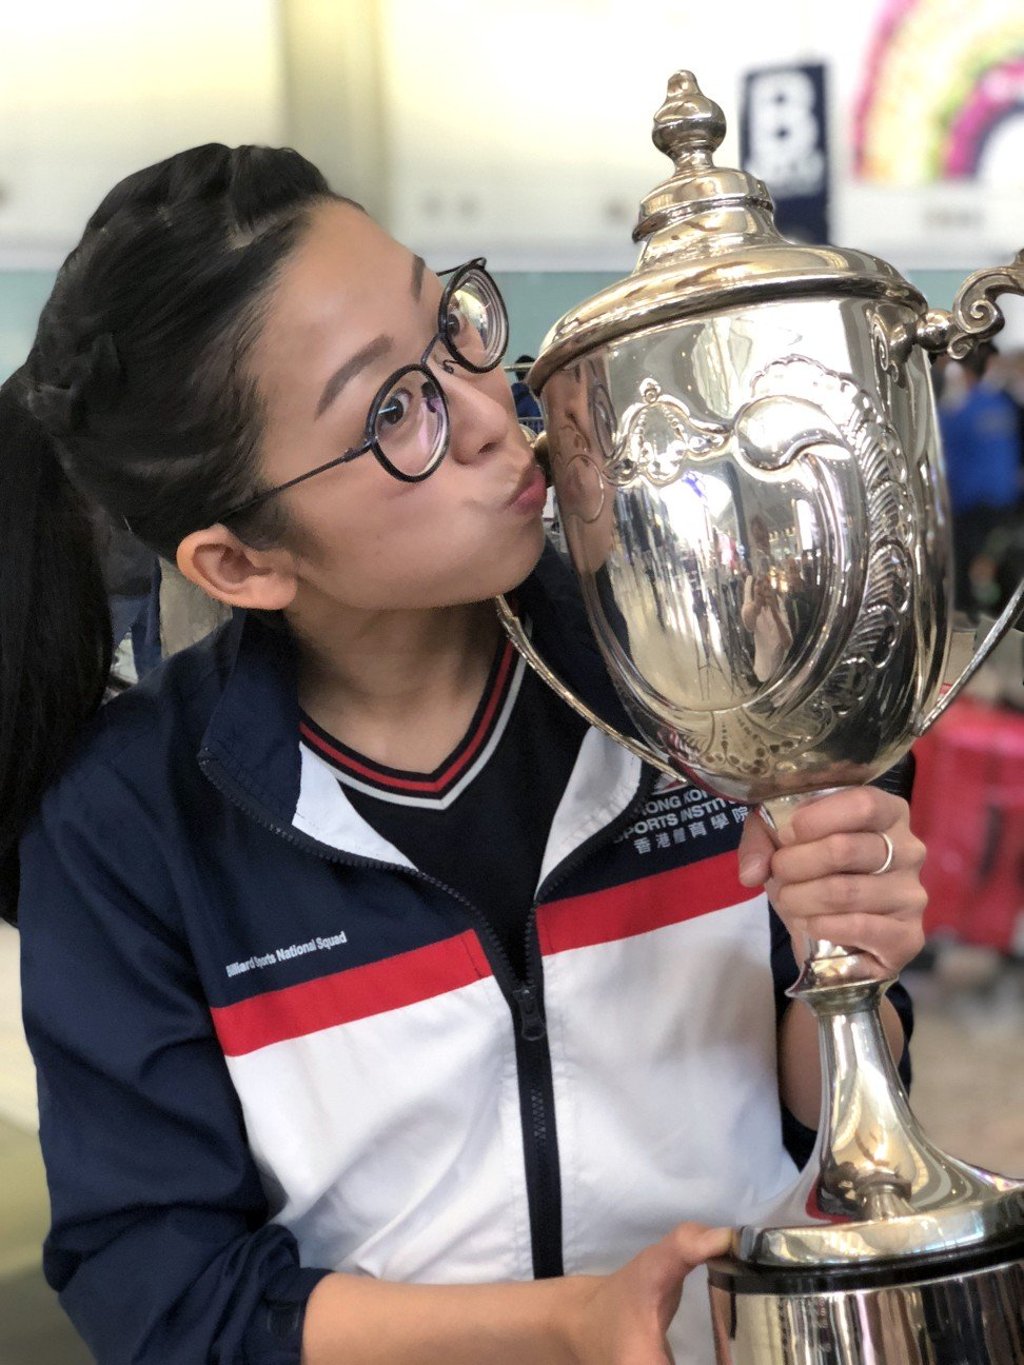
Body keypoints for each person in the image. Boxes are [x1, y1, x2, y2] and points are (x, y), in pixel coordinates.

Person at [0, 144, 927, 1365]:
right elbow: (164, 1291)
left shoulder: (697, 669)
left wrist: (846, 959)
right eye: (393, 412)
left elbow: (826, 1107)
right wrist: (564, 1327)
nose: (497, 415)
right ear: (242, 563)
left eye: (451, 331)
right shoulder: (135, 827)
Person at [937, 342, 1022, 614]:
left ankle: (971, 615)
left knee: (965, 571)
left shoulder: (956, 413)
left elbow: (945, 462)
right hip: (1004, 500)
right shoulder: (1003, 405)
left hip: (971, 504)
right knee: (1003, 565)